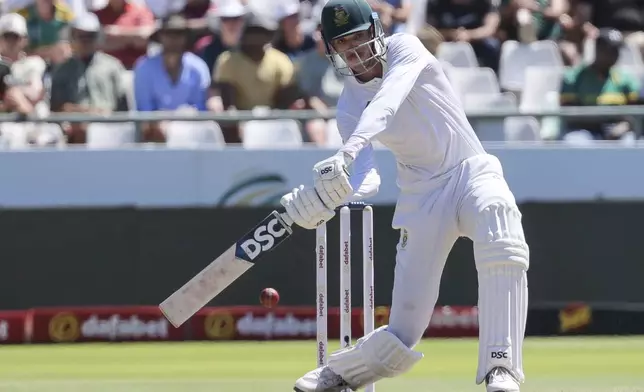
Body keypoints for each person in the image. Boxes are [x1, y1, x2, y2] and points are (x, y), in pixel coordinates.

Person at [279, 0, 529, 391]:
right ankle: (343, 372)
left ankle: (502, 366)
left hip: (469, 171)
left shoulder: (406, 48)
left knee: (500, 223)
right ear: (332, 50)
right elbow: (367, 179)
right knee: (405, 326)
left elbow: (387, 101)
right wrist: (326, 197)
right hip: (421, 196)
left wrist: (346, 150)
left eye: (360, 37)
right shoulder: (347, 104)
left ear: (377, 31)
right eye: (344, 43)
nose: (356, 50)